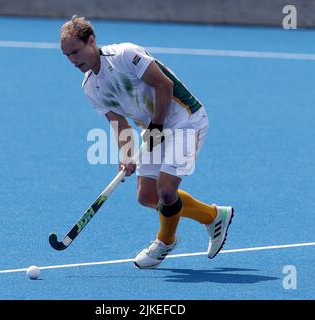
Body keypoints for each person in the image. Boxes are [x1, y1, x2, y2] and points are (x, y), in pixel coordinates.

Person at [60, 16, 234, 269]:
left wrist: (157, 126)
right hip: (154, 127)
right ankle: (213, 216)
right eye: (67, 56)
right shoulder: (90, 86)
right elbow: (118, 122)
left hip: (185, 119)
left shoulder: (124, 55)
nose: (73, 60)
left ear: (92, 41)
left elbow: (165, 85)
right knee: (147, 195)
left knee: (165, 190)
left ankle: (164, 241)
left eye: (76, 51)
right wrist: (126, 154)